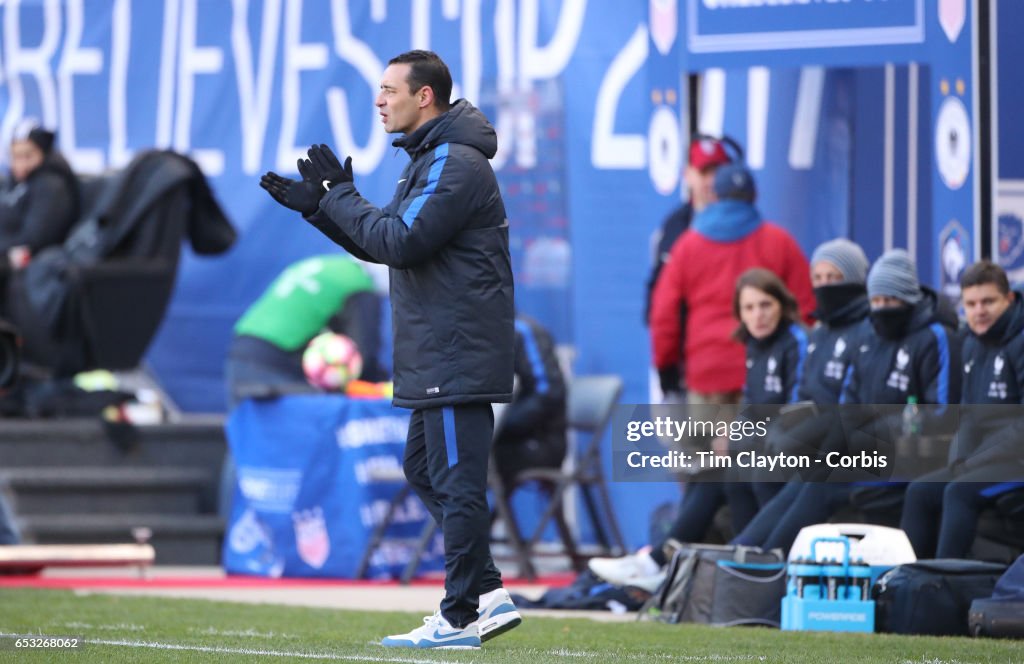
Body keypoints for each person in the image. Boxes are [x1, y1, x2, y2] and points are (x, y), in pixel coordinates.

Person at [260, 50, 517, 650]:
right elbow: (384, 246)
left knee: (456, 483)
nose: (378, 101)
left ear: (424, 96)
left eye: (388, 89)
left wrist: (339, 194)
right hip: (438, 351)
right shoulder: (429, 158)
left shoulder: (455, 162)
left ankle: (459, 617)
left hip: (456, 352)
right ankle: (489, 594)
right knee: (424, 471)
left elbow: (400, 241)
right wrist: (322, 207)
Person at [732, 249, 961, 555]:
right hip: (866, 447)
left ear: (908, 299)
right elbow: (849, 400)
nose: (882, 308)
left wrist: (879, 426)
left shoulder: (934, 336)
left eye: (890, 300)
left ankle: (769, 564)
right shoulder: (872, 336)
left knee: (822, 482)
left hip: (912, 453)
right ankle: (746, 554)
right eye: (876, 301)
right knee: (807, 474)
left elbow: (942, 411)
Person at [650, 163, 815, 408]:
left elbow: (664, 316)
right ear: (755, 196)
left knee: (707, 446)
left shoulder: (687, 246)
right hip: (765, 375)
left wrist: (667, 372)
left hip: (706, 375)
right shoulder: (780, 242)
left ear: (713, 195)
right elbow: (807, 310)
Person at [900, 261, 1024, 559]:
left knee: (959, 491)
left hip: (1017, 461)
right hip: (985, 459)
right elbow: (967, 415)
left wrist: (976, 461)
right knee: (920, 490)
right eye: (970, 303)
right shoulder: (970, 343)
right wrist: (960, 458)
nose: (979, 311)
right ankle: (904, 584)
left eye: (988, 301)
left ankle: (943, 586)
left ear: (1008, 300)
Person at [225, 254, 388, 407]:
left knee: (252, 433)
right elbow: (363, 358)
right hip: (277, 363)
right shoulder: (359, 285)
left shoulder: (331, 266)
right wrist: (384, 393)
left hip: (240, 351)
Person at [643, 135, 740, 326]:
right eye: (705, 172)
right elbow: (660, 288)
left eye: (718, 171)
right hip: (692, 339)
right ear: (687, 174)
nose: (712, 181)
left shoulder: (744, 222)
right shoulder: (675, 226)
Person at [492, 313, 567, 491]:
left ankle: (473, 519)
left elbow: (550, 392)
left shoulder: (522, 330)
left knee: (459, 459)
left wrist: (499, 427)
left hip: (538, 442)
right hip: (495, 442)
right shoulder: (471, 334)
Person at [0, 119, 80, 268]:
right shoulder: (12, 183)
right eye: (15, 157)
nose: (20, 164)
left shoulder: (51, 186)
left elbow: (34, 238)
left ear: (43, 154)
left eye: (28, 156)